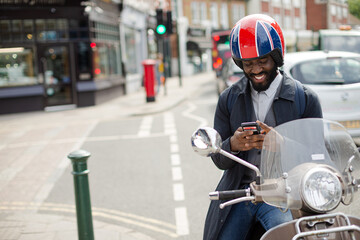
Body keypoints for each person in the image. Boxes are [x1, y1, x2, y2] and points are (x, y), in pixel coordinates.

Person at [203, 14, 323, 240]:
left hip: (284, 195)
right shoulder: (228, 99)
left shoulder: (305, 98)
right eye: (248, 64)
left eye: (263, 61)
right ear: (240, 63)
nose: (256, 69)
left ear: (276, 57)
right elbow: (219, 160)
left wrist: (283, 145)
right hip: (240, 193)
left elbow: (318, 158)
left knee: (288, 237)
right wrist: (233, 144)